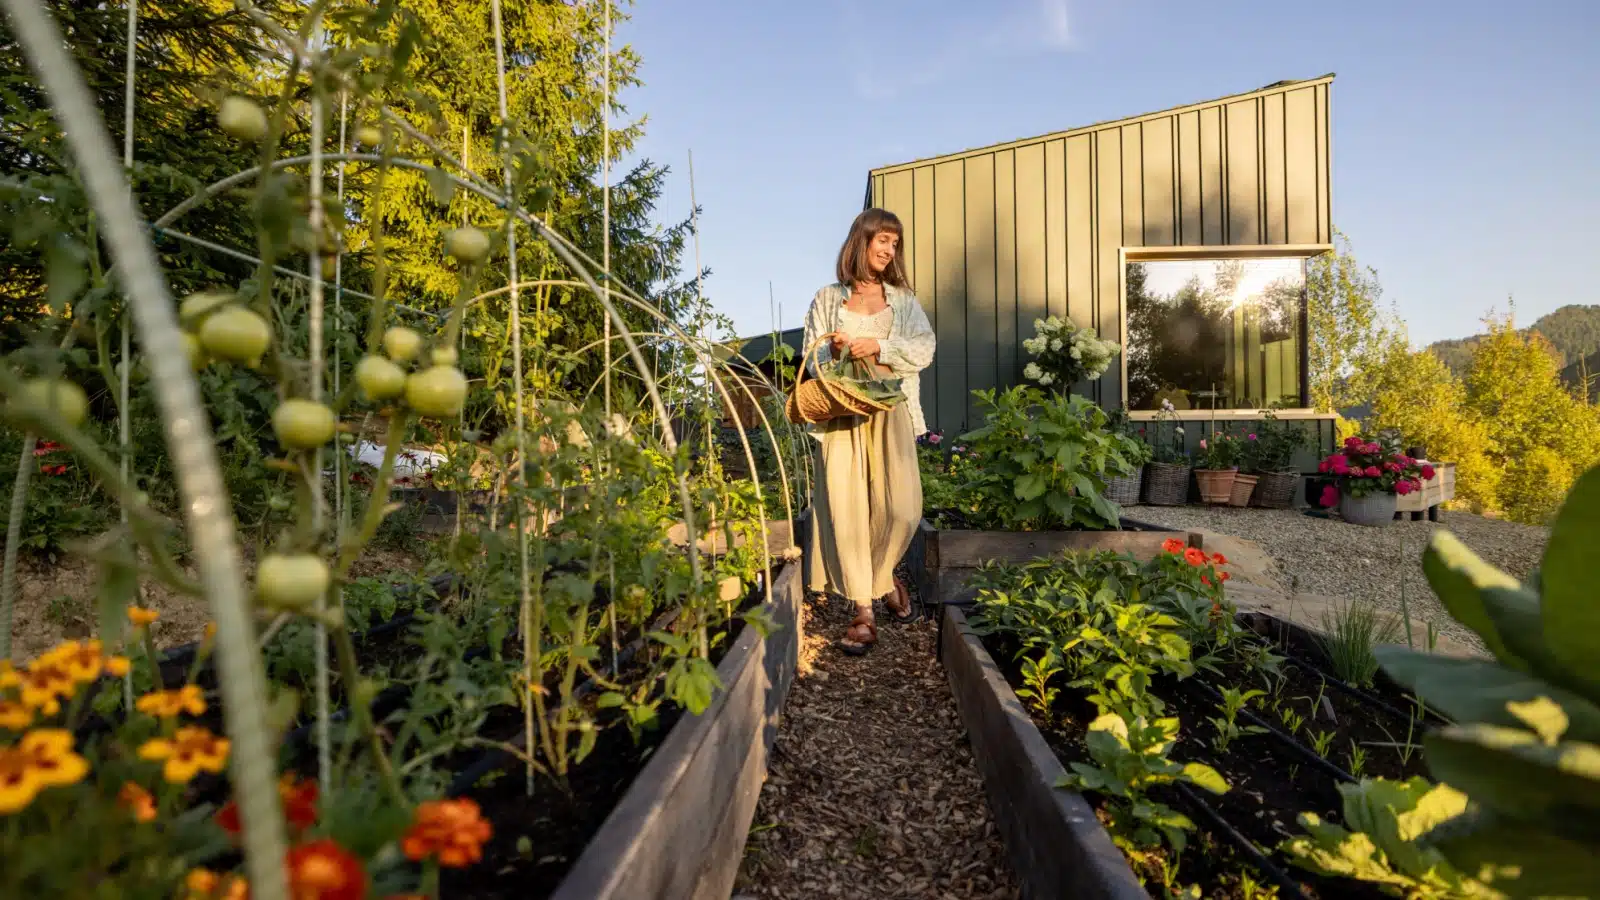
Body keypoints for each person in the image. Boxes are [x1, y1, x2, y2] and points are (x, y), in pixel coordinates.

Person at [801, 208, 935, 655]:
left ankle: (886, 579)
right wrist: (840, 352)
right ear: (861, 240)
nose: (889, 249)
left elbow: (923, 349)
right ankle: (863, 612)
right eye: (883, 239)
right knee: (850, 510)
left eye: (895, 243)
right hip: (843, 415)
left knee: (900, 507)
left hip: (890, 412)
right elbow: (812, 357)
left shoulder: (901, 300)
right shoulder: (826, 299)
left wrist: (878, 344)